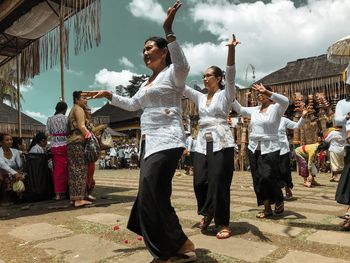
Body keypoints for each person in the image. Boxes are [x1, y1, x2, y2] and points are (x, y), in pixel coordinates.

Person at [82, 2, 196, 262]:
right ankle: (178, 244)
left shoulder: (173, 74)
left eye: (149, 48)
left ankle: (163, 251)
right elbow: (133, 105)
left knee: (150, 190)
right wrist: (110, 95)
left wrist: (168, 29)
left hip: (168, 139)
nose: (144, 53)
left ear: (164, 52)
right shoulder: (146, 83)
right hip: (149, 142)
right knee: (154, 194)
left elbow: (184, 64)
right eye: (143, 49)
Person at [183, 35, 239, 239]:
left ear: (218, 78)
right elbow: (181, 84)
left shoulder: (226, 95)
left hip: (221, 141)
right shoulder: (199, 96)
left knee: (219, 182)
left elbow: (231, 74)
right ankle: (207, 212)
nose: (205, 78)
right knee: (199, 182)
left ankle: (222, 222)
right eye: (204, 75)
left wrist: (231, 50)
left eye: (209, 75)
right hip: (201, 142)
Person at [233, 84, 289, 218]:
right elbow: (239, 109)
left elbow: (285, 101)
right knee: (257, 179)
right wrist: (229, 95)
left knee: (268, 175)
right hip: (253, 148)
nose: (259, 94)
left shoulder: (276, 108)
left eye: (261, 92)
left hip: (271, 147)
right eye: (257, 93)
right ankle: (267, 208)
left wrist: (268, 92)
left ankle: (279, 198)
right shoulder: (254, 110)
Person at [67, 91, 92, 208]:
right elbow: (82, 126)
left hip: (72, 142)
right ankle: (78, 199)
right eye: (83, 98)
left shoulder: (74, 109)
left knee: (74, 170)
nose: (86, 100)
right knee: (80, 170)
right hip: (77, 141)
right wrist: (90, 138)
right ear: (76, 99)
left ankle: (75, 198)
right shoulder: (79, 109)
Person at [278, 109, 307, 200]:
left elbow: (296, 125)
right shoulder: (266, 119)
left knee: (285, 171)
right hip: (269, 149)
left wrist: (303, 116)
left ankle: (287, 188)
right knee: (273, 172)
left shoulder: (283, 120)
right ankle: (276, 193)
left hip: (283, 150)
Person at [46, 101, 69, 200]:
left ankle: (58, 194)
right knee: (67, 169)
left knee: (57, 170)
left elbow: (47, 133)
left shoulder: (50, 119)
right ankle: (67, 192)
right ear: (64, 109)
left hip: (55, 146)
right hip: (66, 145)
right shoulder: (67, 119)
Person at [0, 133, 25, 203]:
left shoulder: (15, 151)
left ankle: (18, 198)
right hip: (4, 172)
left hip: (15, 172)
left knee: (21, 176)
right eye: (7, 140)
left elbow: (19, 165)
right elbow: (2, 164)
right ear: (1, 142)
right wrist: (14, 173)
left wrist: (22, 156)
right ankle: (3, 199)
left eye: (11, 140)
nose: (10, 141)